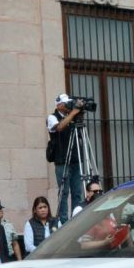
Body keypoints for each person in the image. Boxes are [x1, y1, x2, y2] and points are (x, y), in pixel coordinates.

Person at [48, 93, 84, 223]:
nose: (69, 105)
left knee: (77, 192)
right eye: (67, 103)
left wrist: (77, 114)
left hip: (75, 158)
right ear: (59, 105)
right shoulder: (52, 117)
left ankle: (77, 217)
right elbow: (59, 127)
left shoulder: (72, 116)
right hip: (62, 160)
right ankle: (63, 220)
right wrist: (73, 113)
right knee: (64, 192)